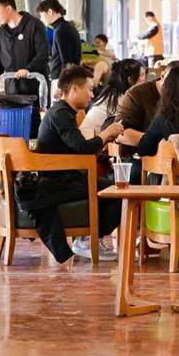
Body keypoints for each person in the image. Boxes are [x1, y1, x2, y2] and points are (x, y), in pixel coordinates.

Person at [34, 66, 125, 262]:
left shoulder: (62, 111)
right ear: (75, 89)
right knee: (120, 193)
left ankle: (88, 238)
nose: (92, 95)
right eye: (89, 89)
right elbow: (82, 148)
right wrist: (106, 133)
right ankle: (87, 239)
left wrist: (104, 140)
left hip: (63, 178)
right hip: (57, 183)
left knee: (112, 187)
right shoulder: (61, 114)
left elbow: (79, 150)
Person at [0, 0, 51, 138]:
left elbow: (43, 54)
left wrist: (28, 69)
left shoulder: (34, 25)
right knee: (14, 131)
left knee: (34, 132)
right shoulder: (0, 34)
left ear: (8, 8)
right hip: (12, 94)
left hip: (34, 91)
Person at [81, 58, 143, 136]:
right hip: (91, 140)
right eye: (142, 75)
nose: (144, 79)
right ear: (130, 80)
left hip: (91, 138)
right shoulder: (121, 100)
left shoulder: (112, 94)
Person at [35, 0, 82, 80]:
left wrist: (63, 82)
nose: (41, 19)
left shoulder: (61, 30)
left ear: (50, 12)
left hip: (62, 79)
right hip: (66, 76)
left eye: (42, 15)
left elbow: (67, 62)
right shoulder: (67, 27)